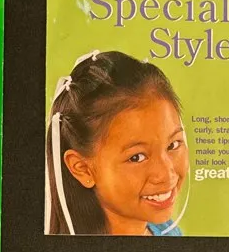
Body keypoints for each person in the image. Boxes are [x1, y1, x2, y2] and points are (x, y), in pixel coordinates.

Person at [45, 50, 188, 235]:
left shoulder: (166, 230)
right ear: (83, 168)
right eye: (137, 157)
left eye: (173, 145)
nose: (167, 175)